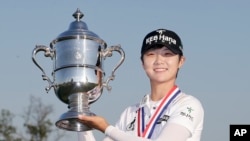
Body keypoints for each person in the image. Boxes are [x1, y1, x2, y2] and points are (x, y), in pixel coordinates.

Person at [78, 28, 204, 141]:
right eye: (151, 54)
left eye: (167, 54)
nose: (159, 61)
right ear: (142, 63)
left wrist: (107, 128)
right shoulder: (130, 113)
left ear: (181, 61)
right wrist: (81, 117)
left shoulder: (188, 105)